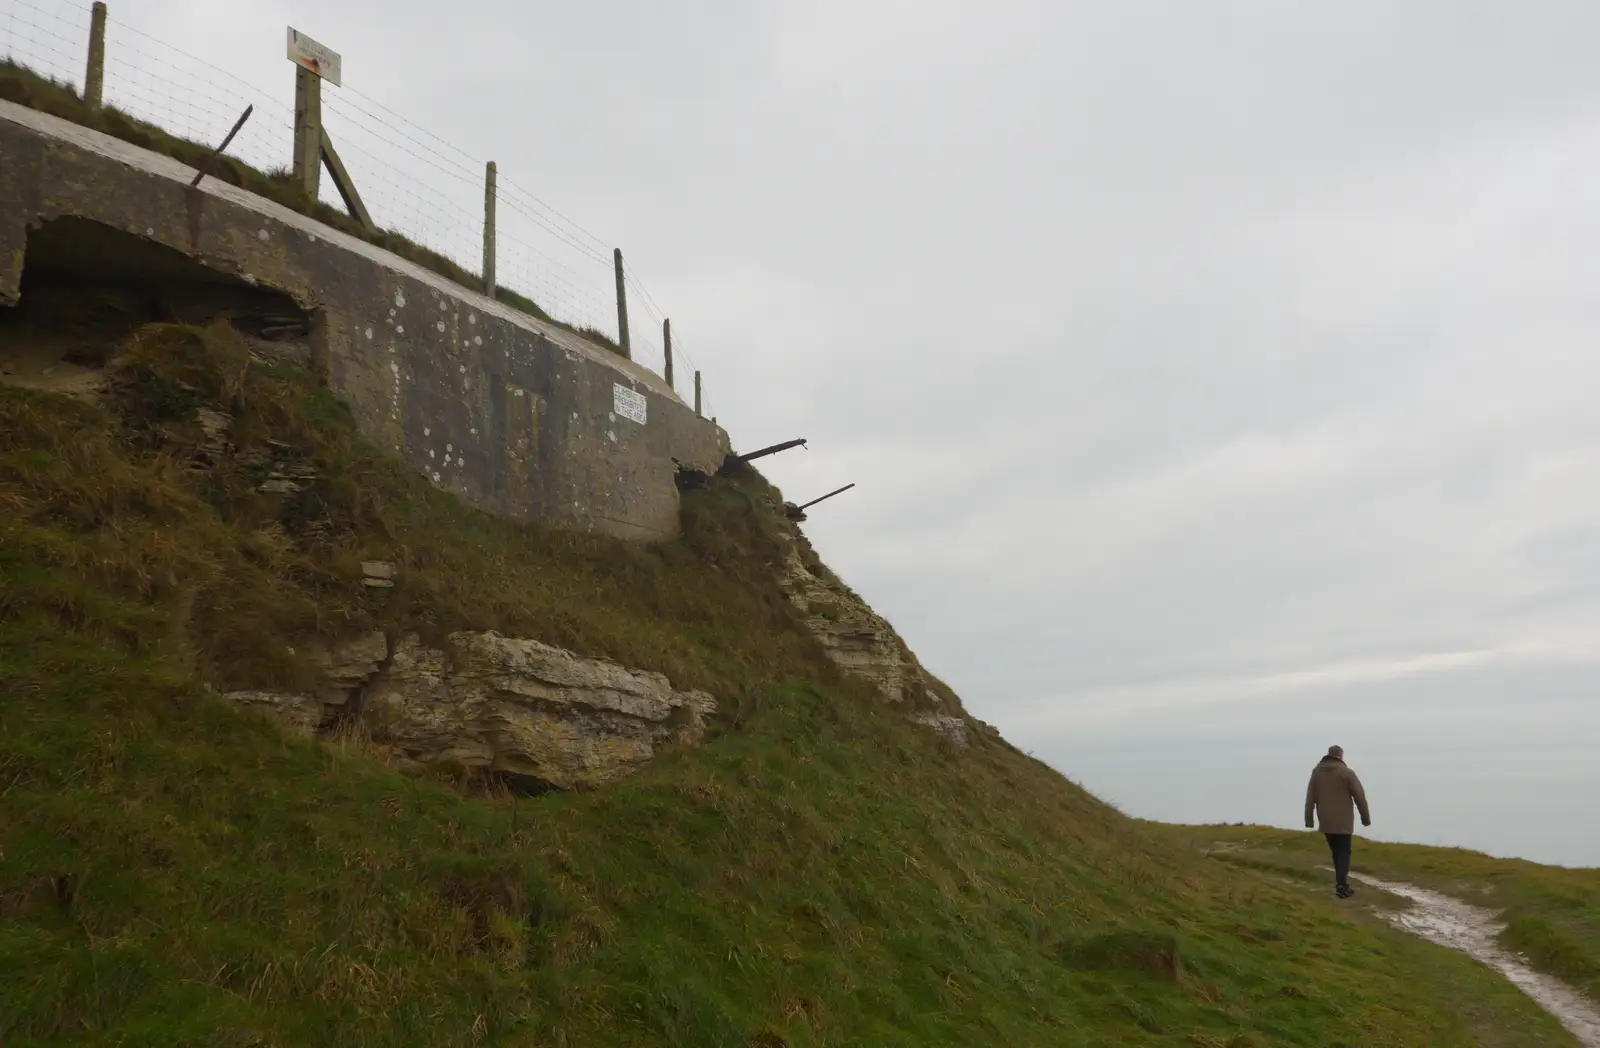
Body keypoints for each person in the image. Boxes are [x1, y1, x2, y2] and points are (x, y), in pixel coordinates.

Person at [1304, 745, 1371, 898]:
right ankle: (1342, 886)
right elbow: (1360, 797)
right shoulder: (1347, 773)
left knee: (1336, 852)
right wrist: (1365, 818)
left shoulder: (1317, 772)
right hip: (1343, 821)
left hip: (1325, 820)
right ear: (1340, 756)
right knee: (1344, 853)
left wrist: (1309, 819)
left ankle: (1341, 883)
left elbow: (1310, 797)